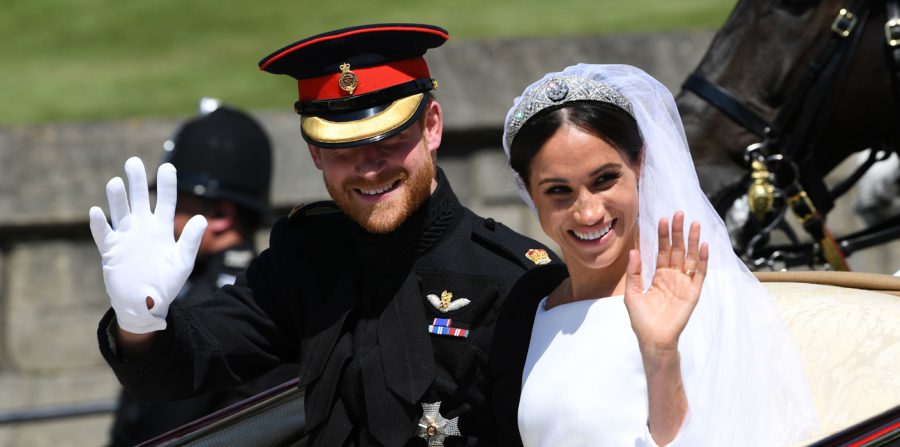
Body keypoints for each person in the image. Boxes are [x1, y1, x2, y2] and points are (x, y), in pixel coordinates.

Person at [90, 24, 559, 446]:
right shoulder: (306, 259)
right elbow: (189, 365)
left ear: (431, 127)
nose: (369, 167)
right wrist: (141, 320)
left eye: (389, 139)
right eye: (343, 148)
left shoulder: (514, 278)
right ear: (315, 152)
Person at [489, 64, 819, 446]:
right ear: (528, 192)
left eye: (605, 180)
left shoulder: (710, 298)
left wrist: (660, 353)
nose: (588, 212)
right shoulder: (532, 310)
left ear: (640, 165)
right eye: (558, 191)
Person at [106, 99, 299, 446]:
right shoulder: (207, 284)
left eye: (175, 203)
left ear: (221, 214)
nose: (164, 218)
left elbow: (162, 426)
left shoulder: (229, 299)